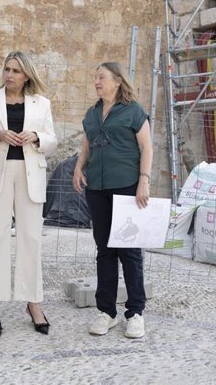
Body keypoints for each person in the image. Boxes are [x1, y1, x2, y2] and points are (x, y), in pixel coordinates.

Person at [0, 51, 58, 338]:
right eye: (7, 69)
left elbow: (53, 140)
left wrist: (37, 137)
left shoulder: (42, 104)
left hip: (31, 175)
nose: (9, 75)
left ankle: (33, 302)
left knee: (31, 240)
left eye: (16, 71)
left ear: (26, 75)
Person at [72, 62, 153, 339]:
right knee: (104, 250)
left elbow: (147, 147)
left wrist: (144, 180)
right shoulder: (92, 113)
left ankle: (136, 313)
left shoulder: (133, 111)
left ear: (118, 81)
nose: (97, 81)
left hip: (128, 186)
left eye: (102, 77)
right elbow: (87, 143)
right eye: (95, 77)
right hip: (97, 188)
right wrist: (78, 167)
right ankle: (106, 312)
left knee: (129, 251)